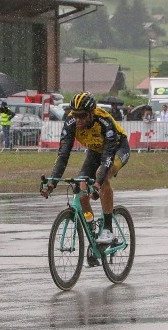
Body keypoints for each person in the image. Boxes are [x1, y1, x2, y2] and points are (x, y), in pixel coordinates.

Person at [41, 92, 131, 244]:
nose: (78, 120)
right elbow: (63, 155)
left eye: (82, 116)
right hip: (95, 151)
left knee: (102, 174)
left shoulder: (104, 121)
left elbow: (108, 157)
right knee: (81, 189)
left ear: (91, 113)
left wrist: (98, 183)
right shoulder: (71, 123)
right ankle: (92, 234)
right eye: (75, 115)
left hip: (117, 149)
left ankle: (108, 229)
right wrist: (52, 183)